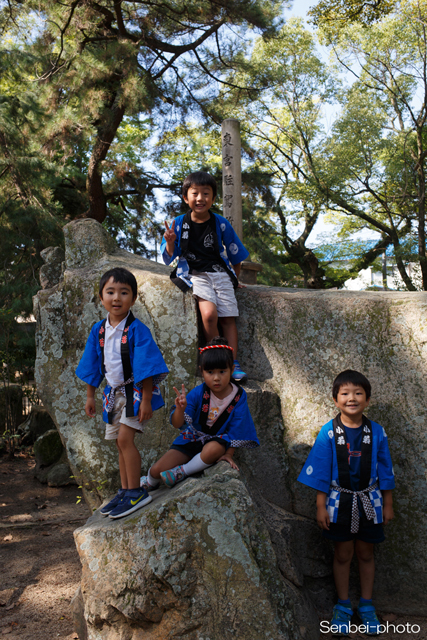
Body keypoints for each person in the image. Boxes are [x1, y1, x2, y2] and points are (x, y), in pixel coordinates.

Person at [297, 370, 395, 636]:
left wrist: (388, 503)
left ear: (368, 399)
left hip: (370, 501)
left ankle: (366, 605)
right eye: (345, 393)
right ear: (335, 399)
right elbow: (321, 471)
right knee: (343, 555)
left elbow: (385, 469)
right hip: (338, 501)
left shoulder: (376, 432)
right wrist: (320, 507)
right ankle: (342, 606)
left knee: (366, 553)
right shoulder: (329, 432)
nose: (352, 398)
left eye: (358, 393)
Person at [75, 267, 168, 519]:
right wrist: (90, 396)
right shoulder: (99, 331)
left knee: (126, 440)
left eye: (124, 292)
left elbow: (147, 367)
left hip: (135, 393)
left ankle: (137, 491)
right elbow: (91, 364)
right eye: (111, 292)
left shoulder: (138, 330)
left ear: (134, 298)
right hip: (112, 393)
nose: (117, 298)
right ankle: (126, 490)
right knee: (118, 443)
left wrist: (146, 400)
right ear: (101, 296)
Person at [161, 170, 250, 383]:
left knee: (228, 317)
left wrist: (235, 278)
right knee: (209, 315)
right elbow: (168, 257)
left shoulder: (220, 223)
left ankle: (232, 363)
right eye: (195, 193)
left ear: (213, 197)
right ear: (185, 197)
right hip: (195, 274)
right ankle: (217, 357)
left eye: (206, 193)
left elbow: (235, 251)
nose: (200, 198)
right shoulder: (179, 223)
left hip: (220, 273)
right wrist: (170, 241)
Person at [140, 337, 259, 490]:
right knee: (157, 470)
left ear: (232, 369)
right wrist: (180, 409)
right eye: (210, 372)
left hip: (217, 441)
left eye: (222, 371)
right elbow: (177, 424)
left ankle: (182, 472)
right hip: (192, 437)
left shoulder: (238, 396)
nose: (216, 378)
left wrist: (229, 454)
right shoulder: (199, 393)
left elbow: (239, 428)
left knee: (213, 449)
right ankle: (150, 481)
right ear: (202, 371)